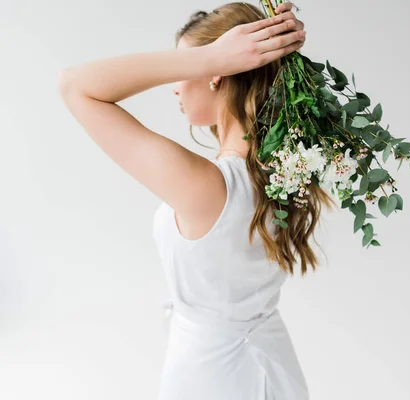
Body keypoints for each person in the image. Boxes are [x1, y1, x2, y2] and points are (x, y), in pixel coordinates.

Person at [59, 1, 335, 399]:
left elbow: (74, 85)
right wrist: (205, 58)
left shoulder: (211, 187)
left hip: (215, 378)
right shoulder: (282, 173)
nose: (175, 83)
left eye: (184, 67)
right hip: (271, 367)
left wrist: (206, 57)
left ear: (215, 74)